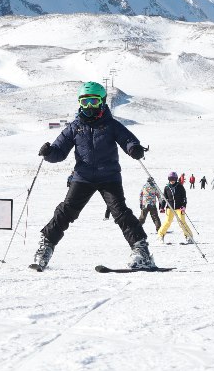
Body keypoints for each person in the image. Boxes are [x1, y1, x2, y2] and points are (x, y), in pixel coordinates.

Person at [33, 82, 155, 271]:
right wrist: (49, 152)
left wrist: (134, 148)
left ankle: (142, 252)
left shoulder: (110, 125)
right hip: (83, 177)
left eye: (93, 101)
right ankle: (45, 248)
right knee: (66, 211)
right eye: (84, 102)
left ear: (102, 102)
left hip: (109, 177)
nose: (88, 107)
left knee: (120, 212)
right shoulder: (75, 128)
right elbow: (59, 151)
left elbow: (127, 139)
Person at [158, 171, 195, 244]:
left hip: (179, 207)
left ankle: (189, 236)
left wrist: (183, 206)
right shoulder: (167, 187)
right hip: (170, 208)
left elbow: (184, 198)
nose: (172, 181)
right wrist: (162, 207)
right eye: (170, 179)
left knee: (181, 222)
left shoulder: (180, 186)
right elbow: (164, 199)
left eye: (173, 179)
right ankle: (160, 236)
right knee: (167, 222)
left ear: (176, 179)